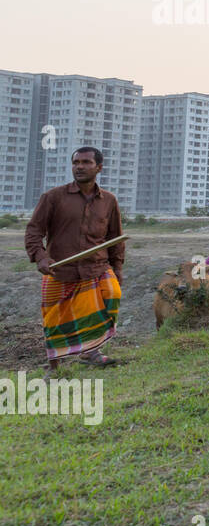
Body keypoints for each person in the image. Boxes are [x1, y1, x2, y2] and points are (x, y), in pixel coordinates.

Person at [24, 147, 124, 369]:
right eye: (76, 162)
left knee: (112, 295)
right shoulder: (52, 197)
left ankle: (91, 352)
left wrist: (117, 268)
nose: (80, 167)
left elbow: (115, 237)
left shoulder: (108, 200)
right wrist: (40, 257)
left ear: (99, 167)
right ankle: (54, 366)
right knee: (54, 320)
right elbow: (33, 232)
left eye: (86, 162)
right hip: (60, 271)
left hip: (96, 268)